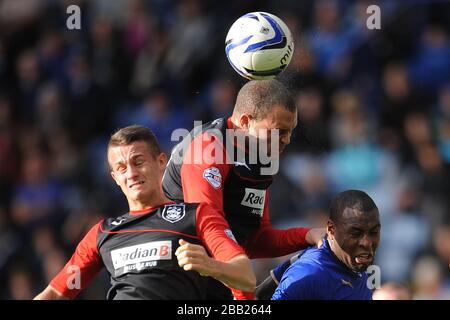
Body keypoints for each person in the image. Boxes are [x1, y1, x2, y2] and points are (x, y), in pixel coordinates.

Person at [34, 125, 255, 300]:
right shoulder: (103, 233)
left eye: (138, 162)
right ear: (115, 178)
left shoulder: (195, 215)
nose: (130, 173)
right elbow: (55, 294)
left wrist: (210, 266)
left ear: (161, 161)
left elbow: (245, 275)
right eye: (121, 168)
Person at [162, 79, 325, 299]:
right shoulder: (208, 149)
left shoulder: (262, 157)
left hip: (212, 271)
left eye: (290, 131)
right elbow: (208, 228)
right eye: (279, 131)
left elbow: (256, 239)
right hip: (174, 277)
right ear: (246, 122)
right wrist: (243, 293)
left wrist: (308, 235)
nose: (286, 140)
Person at [268, 190, 380, 300]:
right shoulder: (308, 273)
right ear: (331, 230)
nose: (367, 243)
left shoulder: (364, 265)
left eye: (374, 232)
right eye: (355, 233)